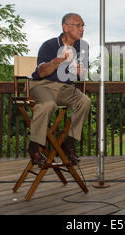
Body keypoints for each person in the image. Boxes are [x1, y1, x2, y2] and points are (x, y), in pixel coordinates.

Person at [28, 13, 91, 166]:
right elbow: (41, 72)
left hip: (65, 88)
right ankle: (34, 147)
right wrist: (57, 61)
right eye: (78, 25)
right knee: (48, 104)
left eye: (83, 26)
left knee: (85, 101)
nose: (82, 29)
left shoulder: (83, 46)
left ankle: (69, 141)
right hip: (41, 85)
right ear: (65, 27)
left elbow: (82, 74)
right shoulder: (49, 45)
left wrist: (81, 72)